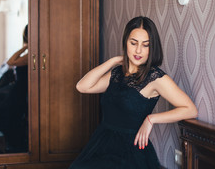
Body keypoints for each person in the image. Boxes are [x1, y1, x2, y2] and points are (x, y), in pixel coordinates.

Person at [69, 16, 198, 169]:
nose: (138, 50)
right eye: (133, 43)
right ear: (125, 43)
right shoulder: (117, 73)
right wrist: (113, 61)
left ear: (152, 47)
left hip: (131, 153)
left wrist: (151, 119)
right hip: (101, 144)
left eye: (145, 45)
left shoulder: (155, 77)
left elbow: (190, 110)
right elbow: (83, 87)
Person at [0, 25, 29, 153]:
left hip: (21, 92)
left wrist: (25, 47)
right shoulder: (28, 55)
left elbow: (11, 61)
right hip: (17, 89)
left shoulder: (30, 56)